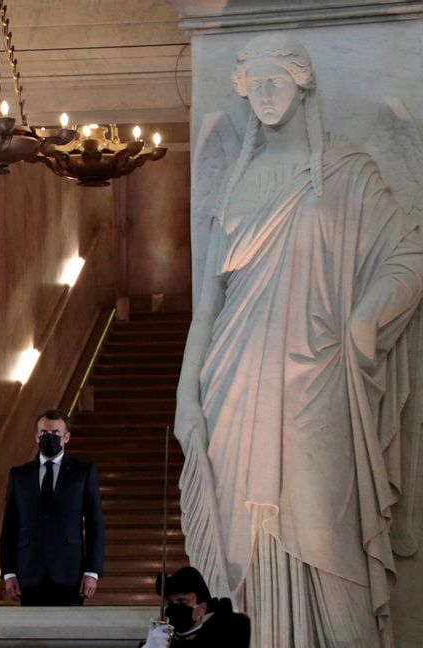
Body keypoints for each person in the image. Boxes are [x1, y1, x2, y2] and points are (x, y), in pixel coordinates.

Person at [177, 33, 423, 646]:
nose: (263, 95)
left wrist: (365, 318)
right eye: (253, 84)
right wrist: (187, 397)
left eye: (276, 82)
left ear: (302, 85)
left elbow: (410, 254)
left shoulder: (345, 171)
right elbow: (207, 306)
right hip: (233, 378)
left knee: (322, 526)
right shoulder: (234, 181)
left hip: (320, 377)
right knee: (244, 547)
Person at [0, 409, 104, 606]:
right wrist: (9, 572)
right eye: (44, 433)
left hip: (69, 572)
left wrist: (92, 571)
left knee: (68, 633)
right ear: (36, 437)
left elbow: (95, 524)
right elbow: (10, 527)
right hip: (28, 572)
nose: (50, 437)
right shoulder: (18, 475)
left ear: (66, 437)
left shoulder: (83, 473)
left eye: (55, 434)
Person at [140, 567, 250, 648]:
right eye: (170, 603)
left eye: (182, 602)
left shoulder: (226, 630)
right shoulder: (163, 639)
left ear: (202, 606)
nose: (174, 608)